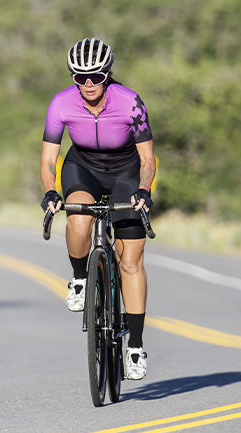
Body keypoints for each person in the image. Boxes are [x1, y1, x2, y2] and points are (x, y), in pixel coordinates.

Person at [39, 38, 155, 380]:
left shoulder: (130, 102)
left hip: (126, 171)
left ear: (108, 73)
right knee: (78, 217)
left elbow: (147, 159)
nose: (89, 84)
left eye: (96, 76)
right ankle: (79, 278)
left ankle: (134, 345)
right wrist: (50, 191)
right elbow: (49, 158)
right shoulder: (60, 104)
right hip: (83, 166)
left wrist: (144, 191)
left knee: (131, 261)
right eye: (80, 77)